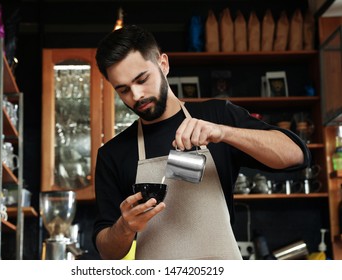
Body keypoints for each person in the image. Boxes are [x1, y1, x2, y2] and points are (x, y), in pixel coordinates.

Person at [93, 24, 310, 260]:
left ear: (163, 64)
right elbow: (107, 252)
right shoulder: (113, 154)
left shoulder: (217, 116)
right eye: (123, 90)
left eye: (142, 79)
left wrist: (224, 133)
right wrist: (125, 227)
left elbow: (297, 155)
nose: (136, 96)